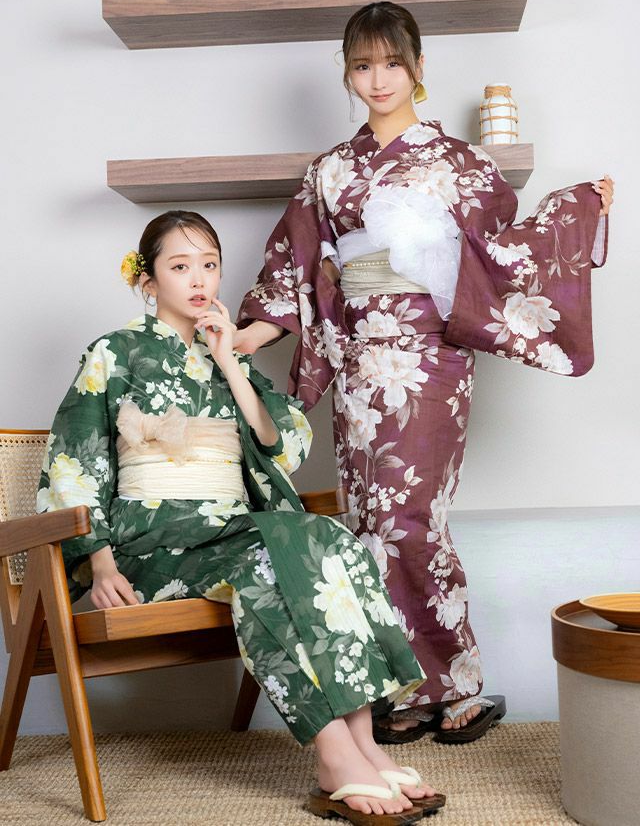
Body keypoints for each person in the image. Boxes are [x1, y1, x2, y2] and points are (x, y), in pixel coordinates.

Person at [234, 1, 614, 744]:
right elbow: (296, 268)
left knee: (411, 518)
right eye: (362, 66)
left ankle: (457, 680)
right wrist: (245, 335)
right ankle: (402, 687)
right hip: (358, 363)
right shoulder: (330, 172)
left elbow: (501, 254)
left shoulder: (460, 164)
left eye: (391, 63)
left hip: (428, 358)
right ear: (347, 72)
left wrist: (581, 210)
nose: (378, 80)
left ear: (417, 67)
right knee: (368, 525)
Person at [36, 209, 450, 824]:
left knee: (331, 540)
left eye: (209, 265)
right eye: (180, 266)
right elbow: (74, 459)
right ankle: (335, 755)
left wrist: (230, 361)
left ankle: (364, 745)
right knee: (270, 558)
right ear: (148, 280)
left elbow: (284, 446)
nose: (198, 279)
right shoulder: (113, 352)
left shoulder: (228, 358)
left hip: (228, 533)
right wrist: (98, 562)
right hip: (150, 547)